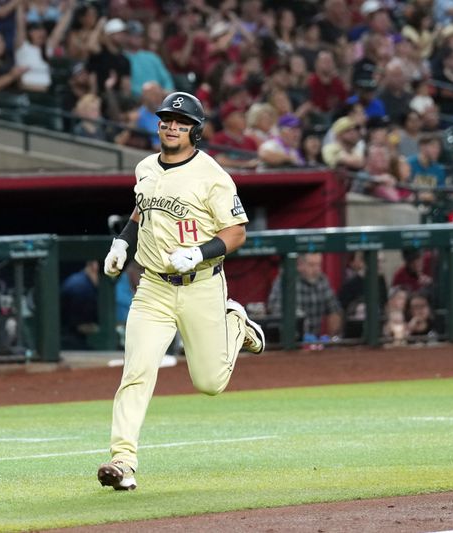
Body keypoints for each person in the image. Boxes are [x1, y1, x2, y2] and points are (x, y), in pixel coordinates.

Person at [97, 91, 265, 491]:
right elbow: (142, 210)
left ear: (195, 130)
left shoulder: (212, 176)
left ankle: (235, 322)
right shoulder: (144, 168)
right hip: (153, 287)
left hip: (202, 286)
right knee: (136, 372)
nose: (172, 126)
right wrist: (122, 241)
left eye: (181, 122)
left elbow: (237, 231)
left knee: (209, 383)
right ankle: (123, 461)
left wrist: (200, 253)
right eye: (166, 120)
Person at [267, 252, 343, 339]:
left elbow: (334, 310)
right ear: (300, 265)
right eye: (311, 265)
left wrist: (332, 337)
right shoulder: (286, 280)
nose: (316, 269)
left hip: (315, 342)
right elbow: (274, 310)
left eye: (318, 265)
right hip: (292, 340)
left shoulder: (322, 281)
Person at [60, 260, 100, 350]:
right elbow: (82, 325)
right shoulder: (81, 286)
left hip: (74, 337)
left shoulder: (82, 281)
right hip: (70, 341)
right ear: (94, 265)